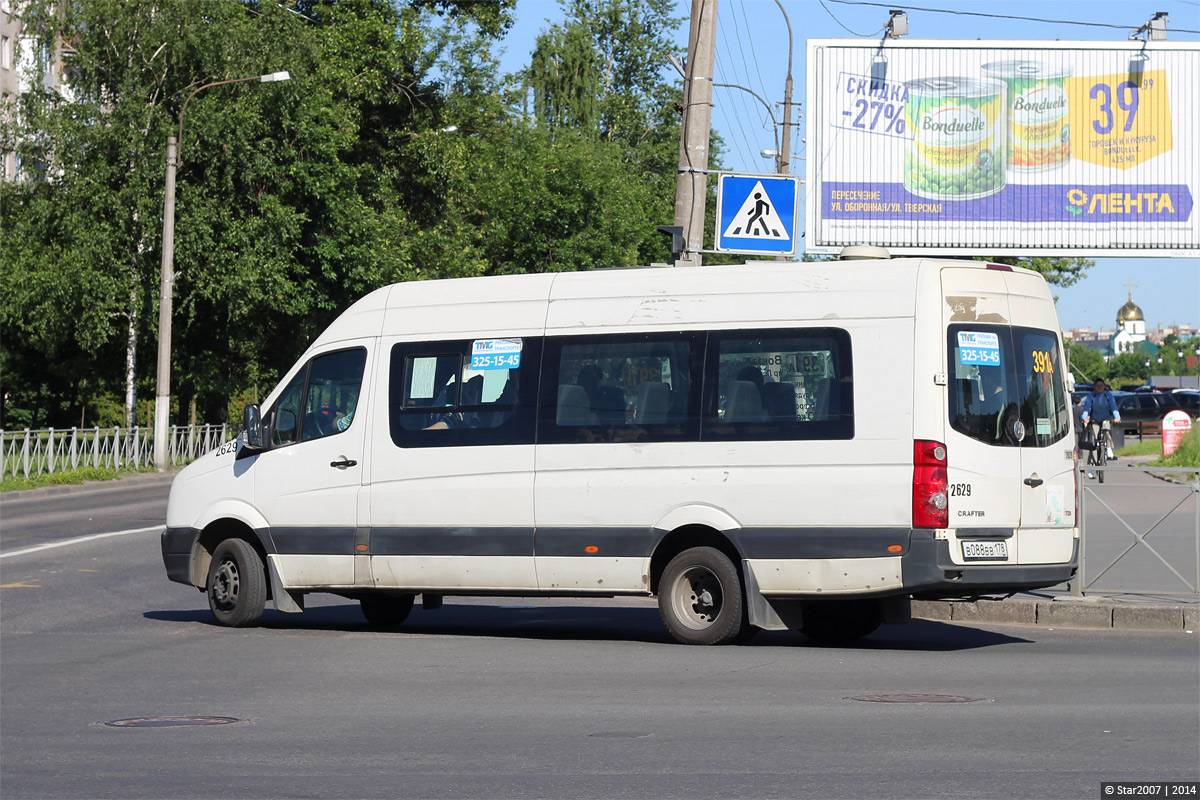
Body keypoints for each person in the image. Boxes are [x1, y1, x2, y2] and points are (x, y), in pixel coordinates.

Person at [1081, 379, 1120, 478]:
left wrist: (1117, 417)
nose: (1099, 388)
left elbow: (1113, 407)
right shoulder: (1092, 395)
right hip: (1095, 419)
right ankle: (1092, 468)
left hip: (1105, 418)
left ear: (1104, 386)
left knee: (1106, 430)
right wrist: (1085, 417)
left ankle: (1109, 449)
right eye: (1097, 386)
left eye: (1101, 385)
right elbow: (1087, 407)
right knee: (1093, 443)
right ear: (1095, 387)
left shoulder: (1108, 395)